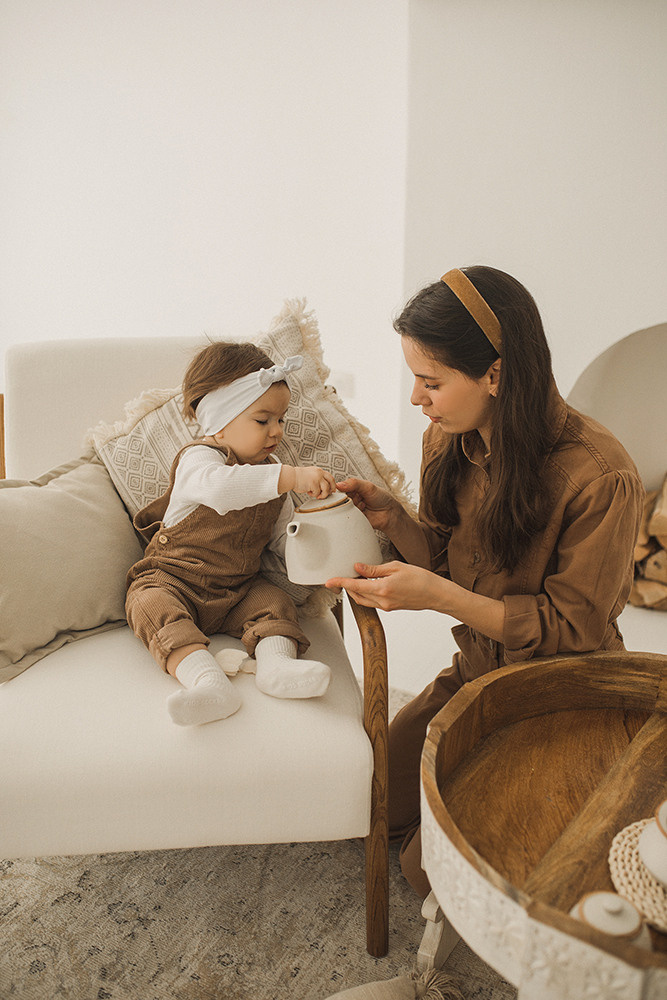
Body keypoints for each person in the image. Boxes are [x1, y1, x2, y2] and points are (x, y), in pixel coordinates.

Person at [326, 265, 644, 896]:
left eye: (430, 382)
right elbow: (447, 557)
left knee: (426, 874)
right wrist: (395, 520)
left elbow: (571, 632)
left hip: (557, 694)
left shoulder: (601, 477)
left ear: (494, 374)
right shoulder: (448, 439)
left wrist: (438, 598)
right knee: (360, 800)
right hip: (475, 675)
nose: (417, 399)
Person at [126, 341, 336, 727]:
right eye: (263, 420)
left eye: (281, 419)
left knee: (273, 602)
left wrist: (323, 546)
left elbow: (281, 542)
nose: (276, 431)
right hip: (173, 579)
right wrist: (289, 476)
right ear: (219, 424)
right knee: (149, 605)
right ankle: (208, 683)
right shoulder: (202, 460)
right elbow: (220, 489)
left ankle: (276, 668)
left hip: (238, 588)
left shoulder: (272, 476)